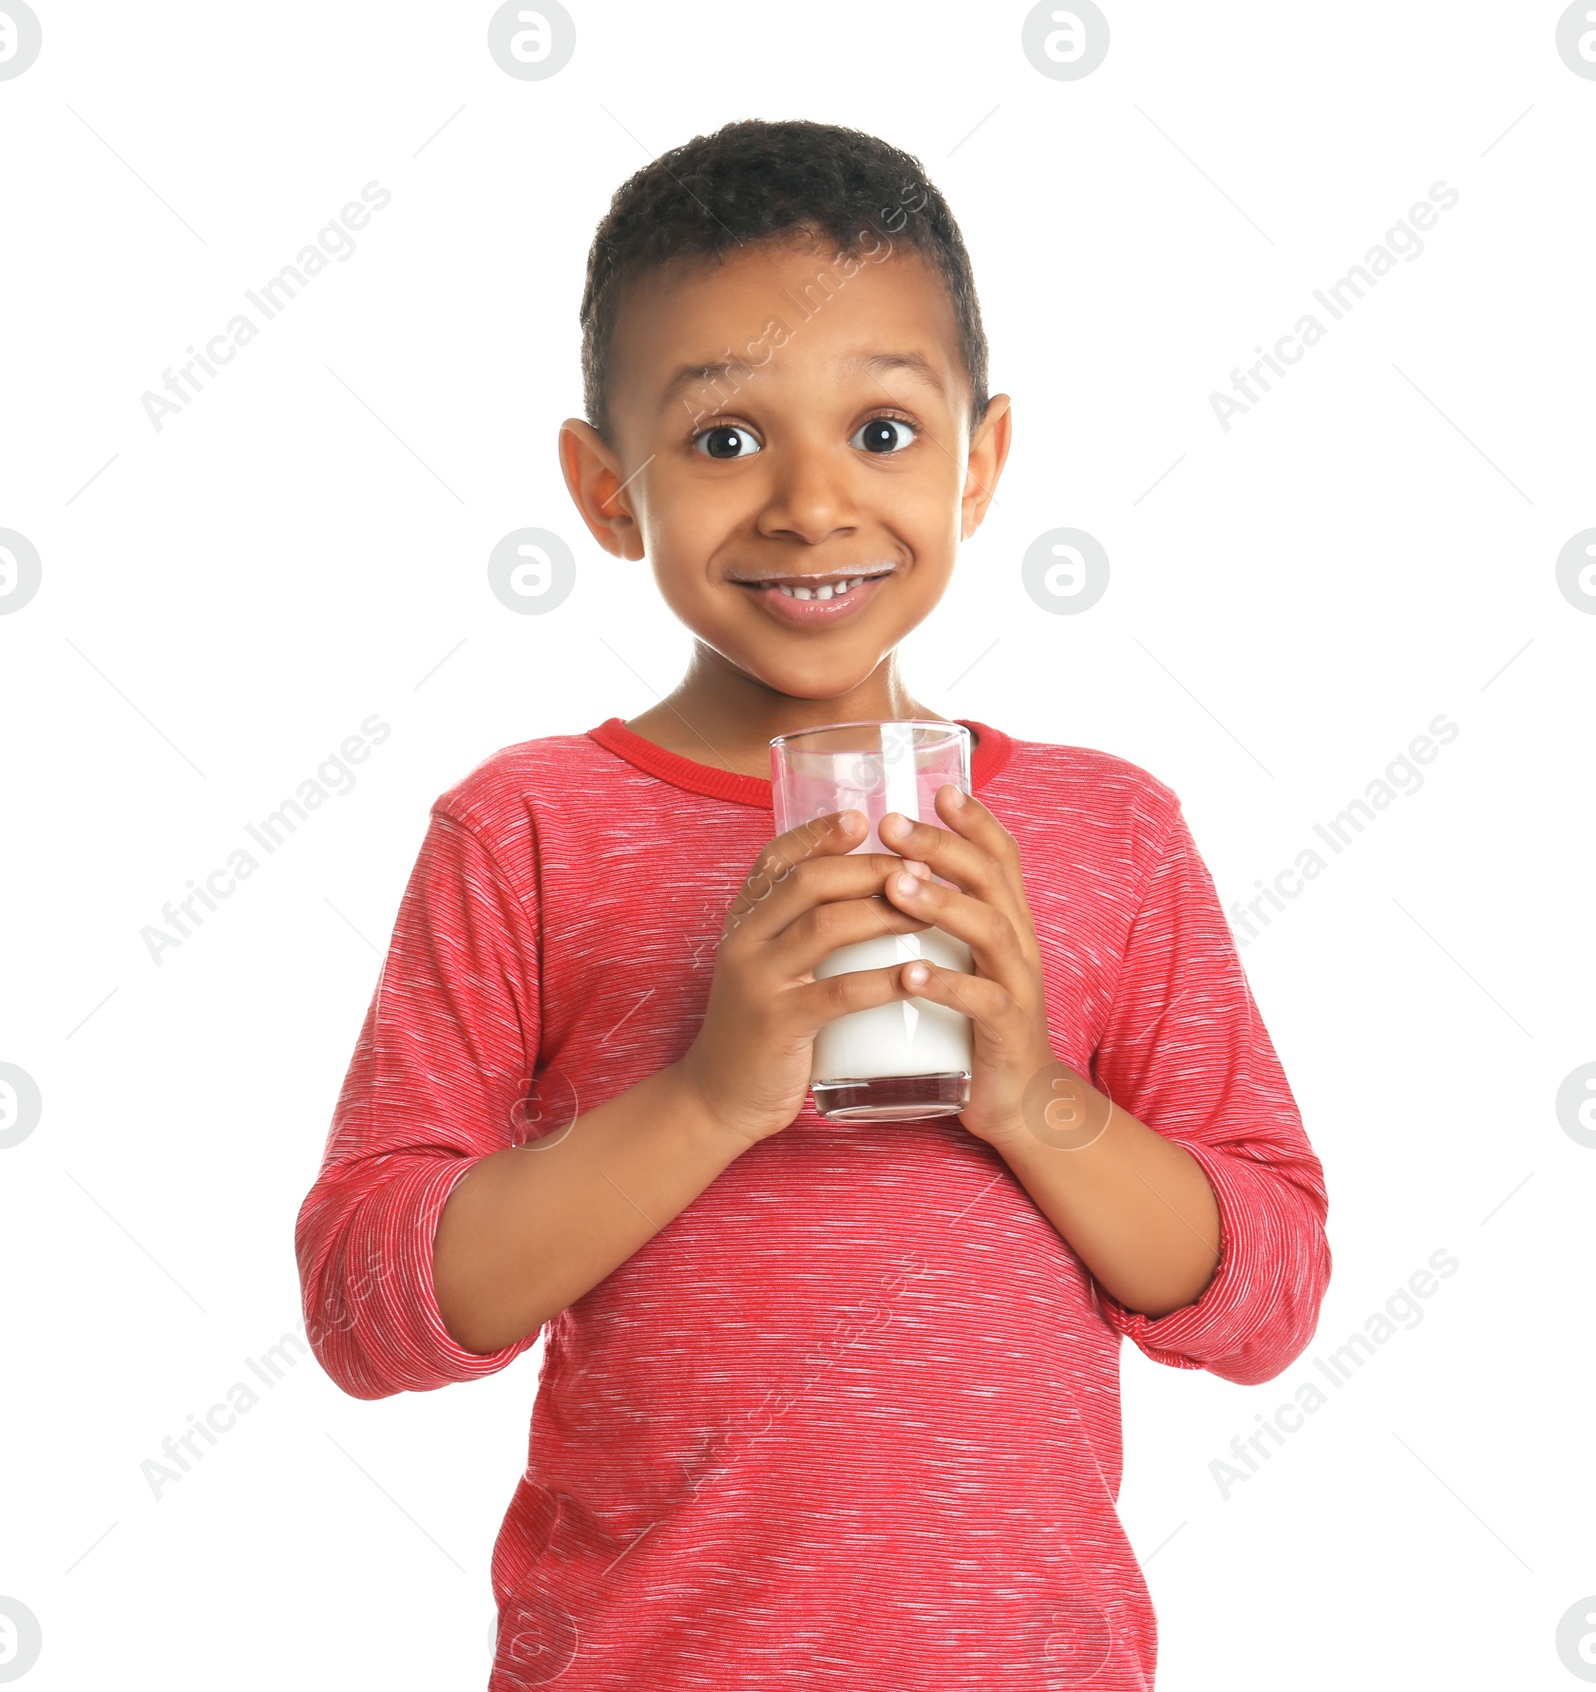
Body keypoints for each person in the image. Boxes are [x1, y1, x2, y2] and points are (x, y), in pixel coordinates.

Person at [295, 117, 1332, 1689]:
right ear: (604, 487)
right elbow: (370, 1302)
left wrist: (1034, 1094)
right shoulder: (526, 828)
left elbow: (1266, 1293)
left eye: (885, 431)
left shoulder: (1109, 831)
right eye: (722, 440)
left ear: (982, 462)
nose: (808, 504)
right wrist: (713, 1093)